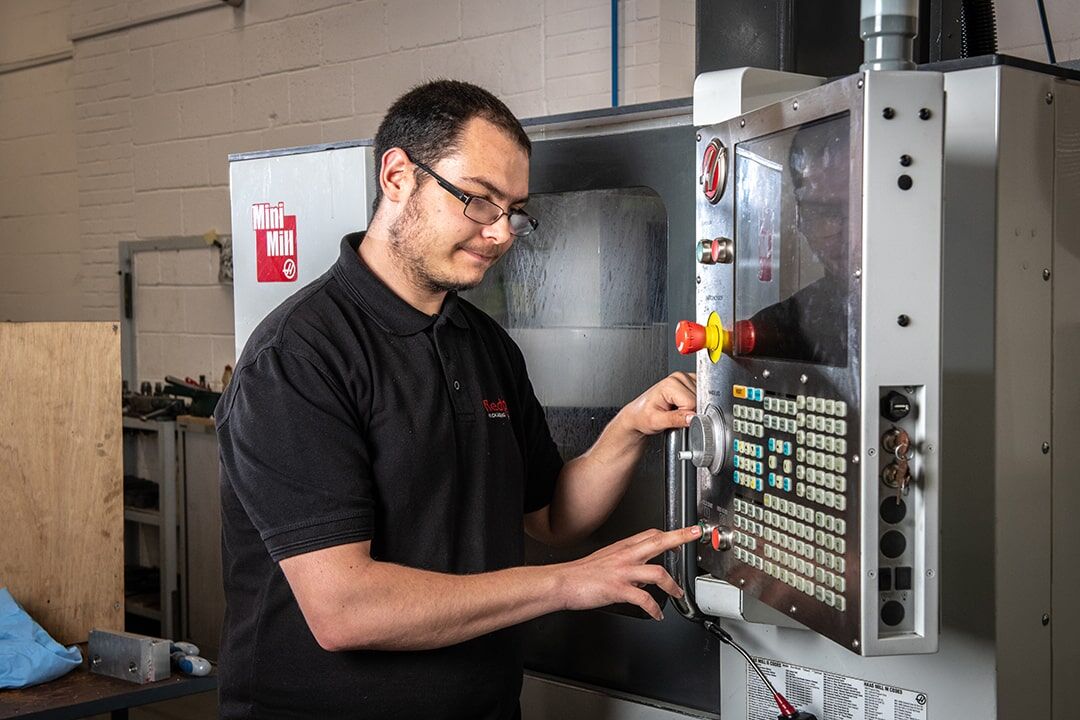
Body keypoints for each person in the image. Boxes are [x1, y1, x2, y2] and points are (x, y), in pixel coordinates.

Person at [214, 79, 701, 720]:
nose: (499, 233)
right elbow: (344, 609)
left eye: (514, 211)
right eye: (477, 200)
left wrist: (630, 429)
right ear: (397, 176)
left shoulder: (484, 345)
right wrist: (565, 583)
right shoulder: (299, 358)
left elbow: (551, 517)